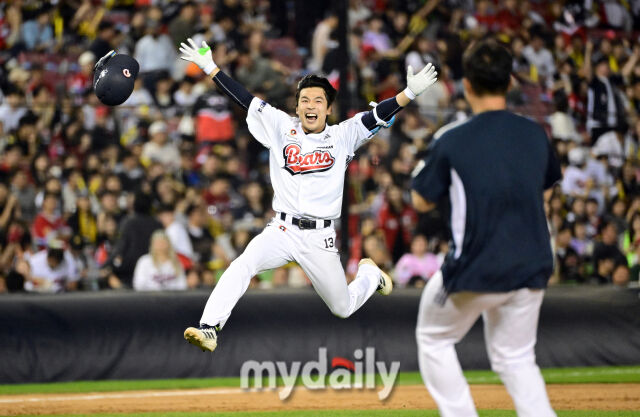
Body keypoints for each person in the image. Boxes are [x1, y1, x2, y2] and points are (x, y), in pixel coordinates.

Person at [178, 37, 438, 352]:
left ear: (328, 108)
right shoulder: (279, 125)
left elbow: (376, 116)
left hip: (319, 237)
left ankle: (369, 276)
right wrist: (210, 67)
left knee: (342, 308)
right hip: (282, 228)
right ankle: (209, 327)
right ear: (297, 106)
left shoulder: (343, 135)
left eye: (317, 100)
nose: (310, 105)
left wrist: (408, 93)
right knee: (243, 264)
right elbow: (244, 98)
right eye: (304, 99)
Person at [411, 40, 559, 417]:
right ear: (510, 82)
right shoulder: (536, 134)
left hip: (475, 267)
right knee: (516, 357)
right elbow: (544, 191)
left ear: (466, 85)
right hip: (532, 263)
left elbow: (421, 201)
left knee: (433, 338)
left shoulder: (452, 139)